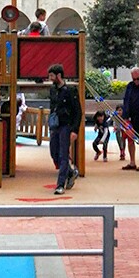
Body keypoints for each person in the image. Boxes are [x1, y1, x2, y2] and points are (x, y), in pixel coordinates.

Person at [47, 63, 82, 195]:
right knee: (54, 152)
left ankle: (60, 184)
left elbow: (78, 111)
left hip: (66, 126)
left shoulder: (70, 91)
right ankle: (71, 172)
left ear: (59, 75)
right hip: (55, 125)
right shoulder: (53, 90)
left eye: (51, 75)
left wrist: (75, 130)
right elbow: (52, 108)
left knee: (63, 154)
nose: (50, 78)